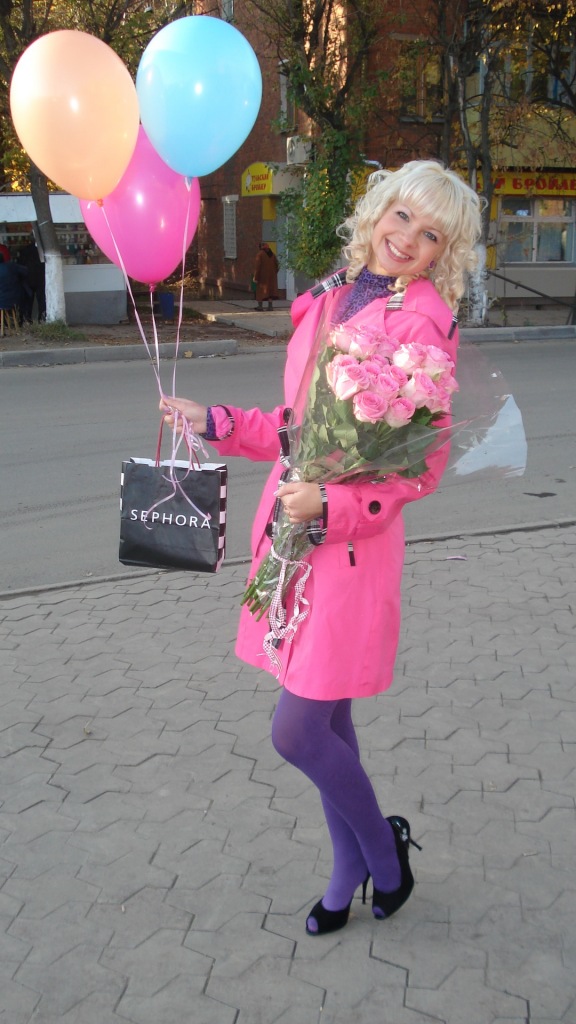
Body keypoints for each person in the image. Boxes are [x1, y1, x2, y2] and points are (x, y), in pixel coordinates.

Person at [161, 161, 482, 936]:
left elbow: (417, 468)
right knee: (330, 726)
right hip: (293, 536)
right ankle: (348, 872)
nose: (407, 239)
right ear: (377, 210)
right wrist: (218, 424)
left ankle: (384, 854)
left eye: (430, 234)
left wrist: (333, 505)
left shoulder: (423, 325)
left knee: (297, 731)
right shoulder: (337, 292)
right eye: (401, 216)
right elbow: (301, 427)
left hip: (346, 553)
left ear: (444, 252)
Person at [17, 238, 46, 323]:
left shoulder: (25, 250)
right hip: (41, 278)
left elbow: (20, 265)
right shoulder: (42, 251)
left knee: (28, 301)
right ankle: (42, 319)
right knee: (41, 300)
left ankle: (27, 319)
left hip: (27, 279)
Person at [0, 253, 28, 322]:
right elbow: (26, 271)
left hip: (2, 301)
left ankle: (4, 322)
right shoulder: (11, 266)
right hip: (16, 299)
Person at [252, 241, 279, 311]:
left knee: (260, 291)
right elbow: (277, 265)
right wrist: (274, 273)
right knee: (270, 292)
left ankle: (260, 306)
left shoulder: (260, 254)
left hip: (262, 277)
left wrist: (255, 277)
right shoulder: (272, 254)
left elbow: (257, 267)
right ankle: (270, 306)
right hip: (272, 276)